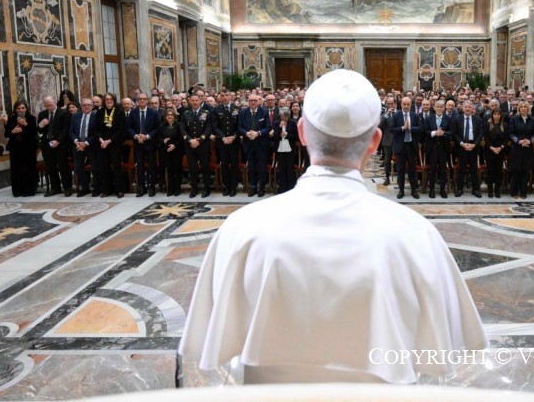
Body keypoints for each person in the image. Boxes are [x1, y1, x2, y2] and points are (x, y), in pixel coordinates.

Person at [179, 69, 486, 384]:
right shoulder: (416, 234)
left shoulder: (242, 228)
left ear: (301, 133)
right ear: (374, 142)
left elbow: (208, 340)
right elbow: (446, 346)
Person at [37, 96, 73, 197]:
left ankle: (67, 188)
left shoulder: (64, 113)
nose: (49, 108)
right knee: (50, 167)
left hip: (60, 144)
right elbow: (39, 131)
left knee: (63, 166)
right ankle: (55, 188)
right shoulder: (42, 114)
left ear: (55, 103)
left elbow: (66, 130)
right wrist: (41, 125)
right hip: (47, 144)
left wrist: (58, 141)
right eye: (47, 106)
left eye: (50, 105)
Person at [93, 92, 127, 198]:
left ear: (114, 100)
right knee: (104, 167)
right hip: (102, 143)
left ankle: (120, 190)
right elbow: (96, 129)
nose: (109, 101)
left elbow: (121, 130)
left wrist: (109, 141)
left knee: (116, 167)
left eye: (111, 99)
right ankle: (107, 190)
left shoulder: (119, 111)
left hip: (114, 143)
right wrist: (101, 140)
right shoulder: (100, 112)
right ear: (104, 101)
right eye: (107, 99)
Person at [128, 93, 162, 197]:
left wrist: (147, 136)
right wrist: (136, 136)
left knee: (152, 166)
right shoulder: (132, 113)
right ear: (137, 101)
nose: (142, 101)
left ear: (147, 101)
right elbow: (129, 127)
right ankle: (142, 187)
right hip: (138, 143)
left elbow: (158, 127)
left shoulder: (154, 112)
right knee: (140, 166)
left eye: (144, 99)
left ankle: (152, 187)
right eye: (140, 99)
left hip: (150, 143)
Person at [180, 94, 214, 198]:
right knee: (193, 168)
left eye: (196, 100)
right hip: (190, 146)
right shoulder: (186, 114)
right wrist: (190, 140)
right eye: (193, 100)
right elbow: (182, 129)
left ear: (200, 101)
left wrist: (200, 140)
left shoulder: (206, 113)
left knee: (205, 168)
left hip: (203, 145)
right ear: (190, 101)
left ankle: (206, 188)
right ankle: (194, 188)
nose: (194, 102)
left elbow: (209, 128)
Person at [238, 94, 270, 197]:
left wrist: (258, 133)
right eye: (251, 100)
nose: (253, 102)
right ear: (248, 102)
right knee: (251, 167)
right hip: (249, 143)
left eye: (255, 100)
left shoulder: (264, 112)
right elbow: (239, 127)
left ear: (259, 102)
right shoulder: (243, 112)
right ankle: (253, 187)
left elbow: (268, 127)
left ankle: (261, 188)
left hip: (261, 144)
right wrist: (246, 133)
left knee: (262, 167)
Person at [4, 100, 38, 197]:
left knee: (29, 168)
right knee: (16, 169)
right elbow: (6, 134)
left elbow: (34, 132)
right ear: (15, 109)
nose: (21, 110)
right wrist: (12, 132)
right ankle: (18, 191)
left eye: (23, 108)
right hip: (15, 147)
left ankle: (29, 190)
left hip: (29, 147)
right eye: (18, 108)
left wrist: (25, 124)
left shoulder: (31, 118)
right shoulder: (11, 119)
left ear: (26, 109)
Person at [392, 96, 422, 199]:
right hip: (400, 147)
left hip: (411, 146)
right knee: (400, 170)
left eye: (408, 104)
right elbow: (392, 130)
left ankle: (414, 190)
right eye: (404, 104)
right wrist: (402, 128)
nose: (406, 106)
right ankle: (401, 190)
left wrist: (410, 128)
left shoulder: (415, 116)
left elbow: (420, 129)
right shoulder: (396, 116)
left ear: (410, 105)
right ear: (401, 105)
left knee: (412, 170)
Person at [453, 100, 483, 198]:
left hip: (473, 147)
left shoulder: (478, 119)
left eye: (469, 107)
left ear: (472, 108)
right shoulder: (457, 119)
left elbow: (480, 134)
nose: (467, 109)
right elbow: (455, 134)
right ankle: (459, 189)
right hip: (462, 147)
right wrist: (462, 144)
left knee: (474, 169)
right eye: (465, 107)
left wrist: (474, 145)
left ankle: (475, 189)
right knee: (461, 169)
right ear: (462, 108)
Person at [423, 99, 451, 198]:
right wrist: (434, 133)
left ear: (444, 108)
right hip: (432, 148)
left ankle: (442, 190)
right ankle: (431, 190)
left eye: (441, 107)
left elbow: (451, 131)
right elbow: (425, 131)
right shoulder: (428, 118)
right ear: (434, 108)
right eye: (437, 107)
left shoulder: (448, 118)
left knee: (443, 170)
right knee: (432, 170)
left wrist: (444, 133)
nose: (439, 109)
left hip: (443, 148)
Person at [508, 101, 534, 199]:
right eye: (522, 107)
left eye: (525, 107)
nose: (523, 108)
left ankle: (523, 192)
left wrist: (529, 141)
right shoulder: (513, 119)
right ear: (519, 109)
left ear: (528, 109)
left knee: (525, 171)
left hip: (528, 148)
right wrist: (519, 141)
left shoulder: (532, 119)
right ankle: (514, 192)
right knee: (515, 171)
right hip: (516, 148)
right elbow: (511, 134)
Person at [70, 98, 97, 197]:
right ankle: (84, 188)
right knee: (78, 168)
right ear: (81, 106)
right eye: (84, 105)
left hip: (91, 145)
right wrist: (77, 142)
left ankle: (96, 188)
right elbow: (71, 131)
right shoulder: (76, 116)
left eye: (88, 105)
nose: (86, 107)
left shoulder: (96, 116)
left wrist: (86, 143)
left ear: (92, 106)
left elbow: (97, 133)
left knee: (94, 167)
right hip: (77, 145)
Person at [159, 108, 184, 196]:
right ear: (165, 116)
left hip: (177, 150)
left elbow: (181, 138)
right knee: (169, 169)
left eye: (171, 115)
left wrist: (174, 145)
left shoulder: (179, 125)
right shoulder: (162, 126)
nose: (169, 116)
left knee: (177, 169)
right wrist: (163, 141)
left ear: (174, 116)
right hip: (166, 150)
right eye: (168, 115)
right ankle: (170, 189)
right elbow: (158, 137)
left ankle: (177, 188)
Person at [483, 108, 507, 198]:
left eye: (498, 114)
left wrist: (500, 148)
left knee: (498, 171)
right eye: (495, 114)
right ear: (492, 115)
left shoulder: (504, 125)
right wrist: (492, 148)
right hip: (490, 151)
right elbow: (486, 139)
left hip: (500, 151)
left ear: (501, 115)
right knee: (490, 171)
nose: (496, 116)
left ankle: (497, 190)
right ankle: (490, 191)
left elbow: (506, 139)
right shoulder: (487, 125)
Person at [273, 107, 297, 194]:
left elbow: (296, 136)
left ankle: (290, 188)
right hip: (280, 149)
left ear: (288, 115)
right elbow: (275, 137)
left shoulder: (293, 122)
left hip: (290, 149)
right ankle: (282, 189)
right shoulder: (276, 123)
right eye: (282, 116)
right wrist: (280, 127)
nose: (284, 118)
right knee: (282, 169)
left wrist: (287, 134)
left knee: (289, 169)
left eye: (286, 116)